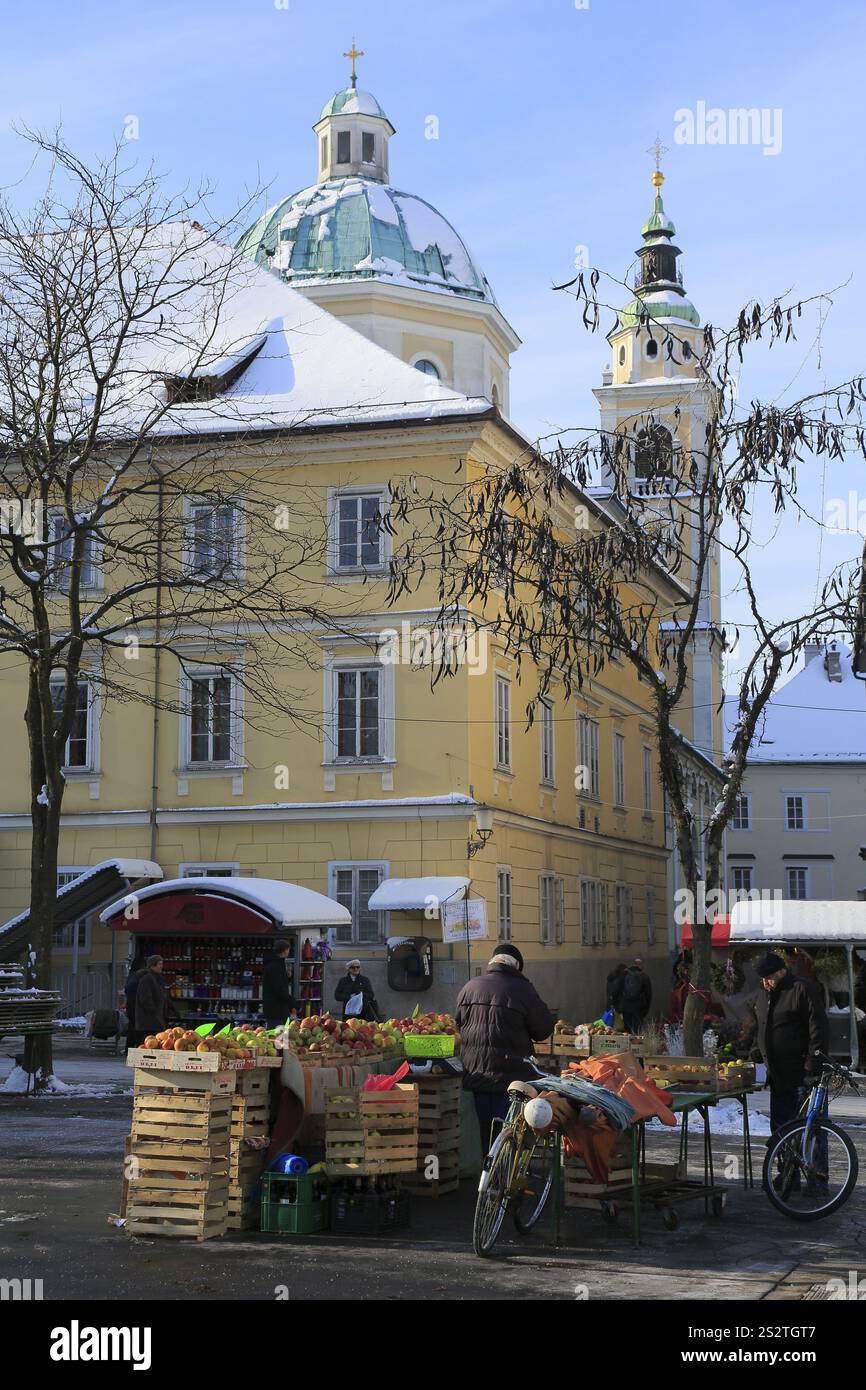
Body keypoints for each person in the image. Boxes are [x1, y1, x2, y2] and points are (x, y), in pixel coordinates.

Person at [454, 942, 556, 1155]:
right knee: (510, 1128)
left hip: (476, 1071)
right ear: (517, 966)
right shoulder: (523, 990)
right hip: (512, 1073)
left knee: (486, 1128)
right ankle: (505, 1174)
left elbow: (459, 1024)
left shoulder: (470, 987)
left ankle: (487, 1172)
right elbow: (543, 1029)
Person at [749, 951, 829, 1138]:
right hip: (778, 1076)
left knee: (809, 1130)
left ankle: (815, 1167)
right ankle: (785, 1165)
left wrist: (813, 1064)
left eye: (769, 978)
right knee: (781, 1130)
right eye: (763, 979)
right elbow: (762, 1025)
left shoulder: (801, 989)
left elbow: (818, 1029)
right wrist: (756, 1048)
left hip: (802, 1073)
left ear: (781, 972)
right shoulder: (765, 994)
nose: (765, 982)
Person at [263, 940, 298, 1028]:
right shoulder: (275, 966)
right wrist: (292, 1001)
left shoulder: (275, 964)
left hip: (275, 1008)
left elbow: (278, 984)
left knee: (277, 1037)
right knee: (279, 1039)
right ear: (285, 950)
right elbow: (279, 989)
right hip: (276, 1009)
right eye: (288, 949)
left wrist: (287, 978)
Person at [134, 955, 170, 1038]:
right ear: (152, 965)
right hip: (148, 1022)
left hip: (153, 1020)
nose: (161, 966)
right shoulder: (147, 979)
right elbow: (145, 999)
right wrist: (155, 1012)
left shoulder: (156, 978)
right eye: (159, 964)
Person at [621, 957, 652, 1034]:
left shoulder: (625, 975)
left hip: (626, 1006)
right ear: (641, 966)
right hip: (639, 1007)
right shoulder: (645, 977)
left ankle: (627, 1044)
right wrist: (646, 1009)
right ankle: (637, 1044)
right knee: (637, 1029)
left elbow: (619, 990)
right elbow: (648, 994)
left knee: (627, 1028)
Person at [124, 955, 146, 1048]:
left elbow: (126, 989)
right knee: (137, 1027)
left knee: (132, 1027)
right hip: (135, 1005)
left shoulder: (131, 974)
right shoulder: (139, 975)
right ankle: (135, 1047)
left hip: (130, 1004)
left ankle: (128, 1047)